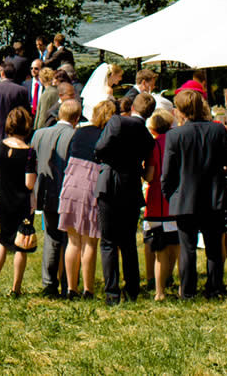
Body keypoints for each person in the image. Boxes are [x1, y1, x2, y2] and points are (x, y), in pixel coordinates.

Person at [162, 89, 227, 299]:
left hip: (185, 197)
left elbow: (168, 173)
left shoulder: (175, 135)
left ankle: (188, 290)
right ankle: (215, 287)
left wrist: (171, 196)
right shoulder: (217, 130)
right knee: (213, 246)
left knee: (188, 248)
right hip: (213, 195)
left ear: (180, 110)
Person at [93, 99, 150, 303]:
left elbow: (99, 147)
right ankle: (132, 289)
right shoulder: (139, 127)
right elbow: (149, 149)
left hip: (109, 182)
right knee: (128, 241)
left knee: (108, 241)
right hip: (131, 182)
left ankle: (112, 292)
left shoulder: (115, 123)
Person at [57, 100, 111, 299]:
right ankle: (88, 289)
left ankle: (72, 288)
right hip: (92, 183)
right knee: (90, 241)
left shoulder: (79, 132)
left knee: (73, 241)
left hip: (71, 181)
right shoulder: (107, 136)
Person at [30, 98, 79, 297]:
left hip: (45, 191)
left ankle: (49, 282)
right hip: (67, 192)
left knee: (51, 237)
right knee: (69, 239)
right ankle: (68, 282)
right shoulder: (76, 136)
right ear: (76, 118)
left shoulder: (39, 134)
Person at [0, 107, 36, 296]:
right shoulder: (29, 153)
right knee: (20, 246)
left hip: (5, 201)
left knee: (3, 242)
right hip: (22, 203)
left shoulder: (0, 146)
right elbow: (29, 183)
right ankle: (16, 287)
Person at [141, 112, 179, 301]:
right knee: (179, 249)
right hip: (176, 202)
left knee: (159, 251)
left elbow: (149, 175)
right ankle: (182, 286)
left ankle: (159, 291)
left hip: (157, 202)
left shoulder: (154, 145)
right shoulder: (177, 142)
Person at [0, 57, 32, 166]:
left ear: (2, 74)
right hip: (15, 131)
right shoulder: (21, 91)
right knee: (13, 165)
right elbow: (26, 113)